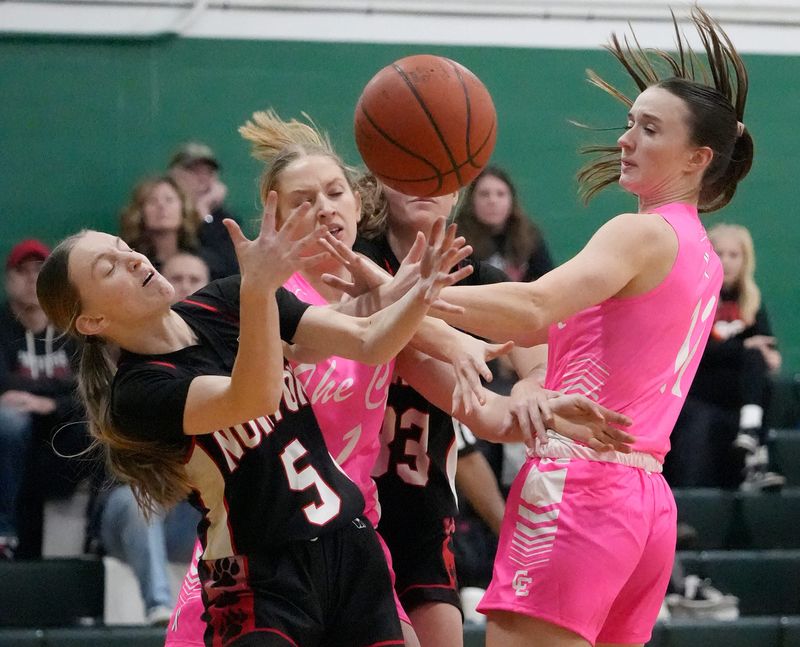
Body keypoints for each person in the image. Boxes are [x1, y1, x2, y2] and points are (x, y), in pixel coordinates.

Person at [425, 7, 753, 646]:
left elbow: (531, 308)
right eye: (629, 123)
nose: (626, 139)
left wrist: (410, 295)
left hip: (581, 485)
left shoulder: (641, 230)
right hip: (645, 502)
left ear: (697, 158)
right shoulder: (703, 253)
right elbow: (570, 345)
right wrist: (528, 382)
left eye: (650, 129)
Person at [35, 175, 473, 645]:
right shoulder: (137, 393)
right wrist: (259, 292)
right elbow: (252, 397)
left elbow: (369, 341)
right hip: (255, 577)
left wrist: (421, 293)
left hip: (347, 542)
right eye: (109, 267)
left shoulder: (225, 298)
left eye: (123, 247)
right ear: (93, 320)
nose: (132, 257)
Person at [665, 223, 785, 490]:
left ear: (745, 260)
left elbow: (765, 347)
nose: (728, 261)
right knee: (752, 359)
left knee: (757, 366)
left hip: (737, 386)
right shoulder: (695, 297)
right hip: (701, 383)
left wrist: (767, 356)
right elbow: (697, 350)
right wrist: (744, 349)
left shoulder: (751, 300)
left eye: (735, 255)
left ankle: (749, 435)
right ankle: (757, 454)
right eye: (721, 253)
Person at [0, 239, 88, 560]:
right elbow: (2, 386)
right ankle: (4, 531)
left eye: (40, 270)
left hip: (60, 442)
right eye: (22, 271)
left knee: (96, 423)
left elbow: (88, 391)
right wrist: (59, 388)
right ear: (8, 279)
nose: (31, 278)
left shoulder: (74, 328)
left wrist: (49, 404)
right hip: (10, 442)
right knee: (10, 420)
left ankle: (93, 534)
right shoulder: (1, 327)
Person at [456, 165, 554, 282]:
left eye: (500, 194)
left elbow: (548, 282)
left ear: (511, 200)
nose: (492, 201)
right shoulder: (457, 239)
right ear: (471, 201)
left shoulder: (530, 236)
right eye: (484, 194)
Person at [168, 141, 240, 280]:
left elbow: (227, 271)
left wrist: (205, 215)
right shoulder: (161, 213)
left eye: (209, 172)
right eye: (194, 171)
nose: (203, 178)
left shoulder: (225, 221)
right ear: (174, 174)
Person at [119, 175, 203, 273]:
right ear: (140, 212)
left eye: (169, 199)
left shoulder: (204, 261)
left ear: (183, 208)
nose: (161, 206)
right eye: (152, 201)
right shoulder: (130, 262)